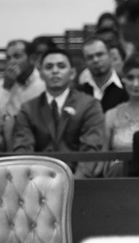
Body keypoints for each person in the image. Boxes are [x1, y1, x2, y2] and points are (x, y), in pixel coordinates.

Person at [10, 48, 105, 179]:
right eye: (49, 67)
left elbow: (91, 150)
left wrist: (73, 184)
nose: (55, 71)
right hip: (37, 182)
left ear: (72, 73)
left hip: (78, 182)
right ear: (41, 74)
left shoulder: (89, 105)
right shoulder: (28, 108)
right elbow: (23, 150)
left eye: (61, 66)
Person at [0, 39, 45, 123]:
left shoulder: (44, 82)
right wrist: (6, 88)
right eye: (8, 58)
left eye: (17, 56)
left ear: (33, 59)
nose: (11, 62)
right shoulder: (2, 84)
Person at [78, 37, 127, 112]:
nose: (95, 60)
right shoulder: (78, 93)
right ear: (84, 62)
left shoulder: (127, 88)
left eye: (100, 54)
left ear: (110, 55)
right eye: (90, 57)